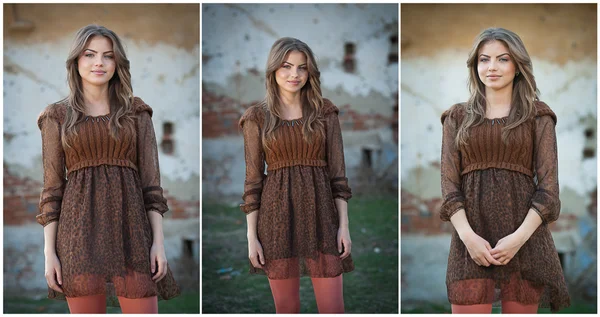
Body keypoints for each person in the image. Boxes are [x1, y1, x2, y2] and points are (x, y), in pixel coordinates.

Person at [36, 24, 180, 314]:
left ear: (118, 63)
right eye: (89, 54)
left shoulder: (136, 113)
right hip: (78, 238)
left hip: (132, 234)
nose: (99, 62)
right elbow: (52, 190)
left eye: (108, 56)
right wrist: (49, 253)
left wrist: (158, 244)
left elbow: (151, 187)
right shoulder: (57, 116)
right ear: (76, 61)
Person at [439, 27, 571, 313]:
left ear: (518, 65)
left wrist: (517, 239)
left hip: (525, 241)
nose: (492, 67)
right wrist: (468, 237)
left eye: (503, 59)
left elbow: (549, 190)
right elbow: (449, 187)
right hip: (471, 241)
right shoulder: (456, 117)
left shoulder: (538, 116)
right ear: (475, 66)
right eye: (484, 59)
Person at [239, 37, 354, 313]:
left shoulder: (325, 112)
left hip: (322, 216)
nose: (294, 74)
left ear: (310, 72)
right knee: (287, 308)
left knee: (333, 307)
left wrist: (344, 227)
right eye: (286, 66)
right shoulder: (257, 118)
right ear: (273, 70)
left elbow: (338, 177)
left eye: (302, 68)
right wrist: (251, 237)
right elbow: (253, 182)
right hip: (276, 220)